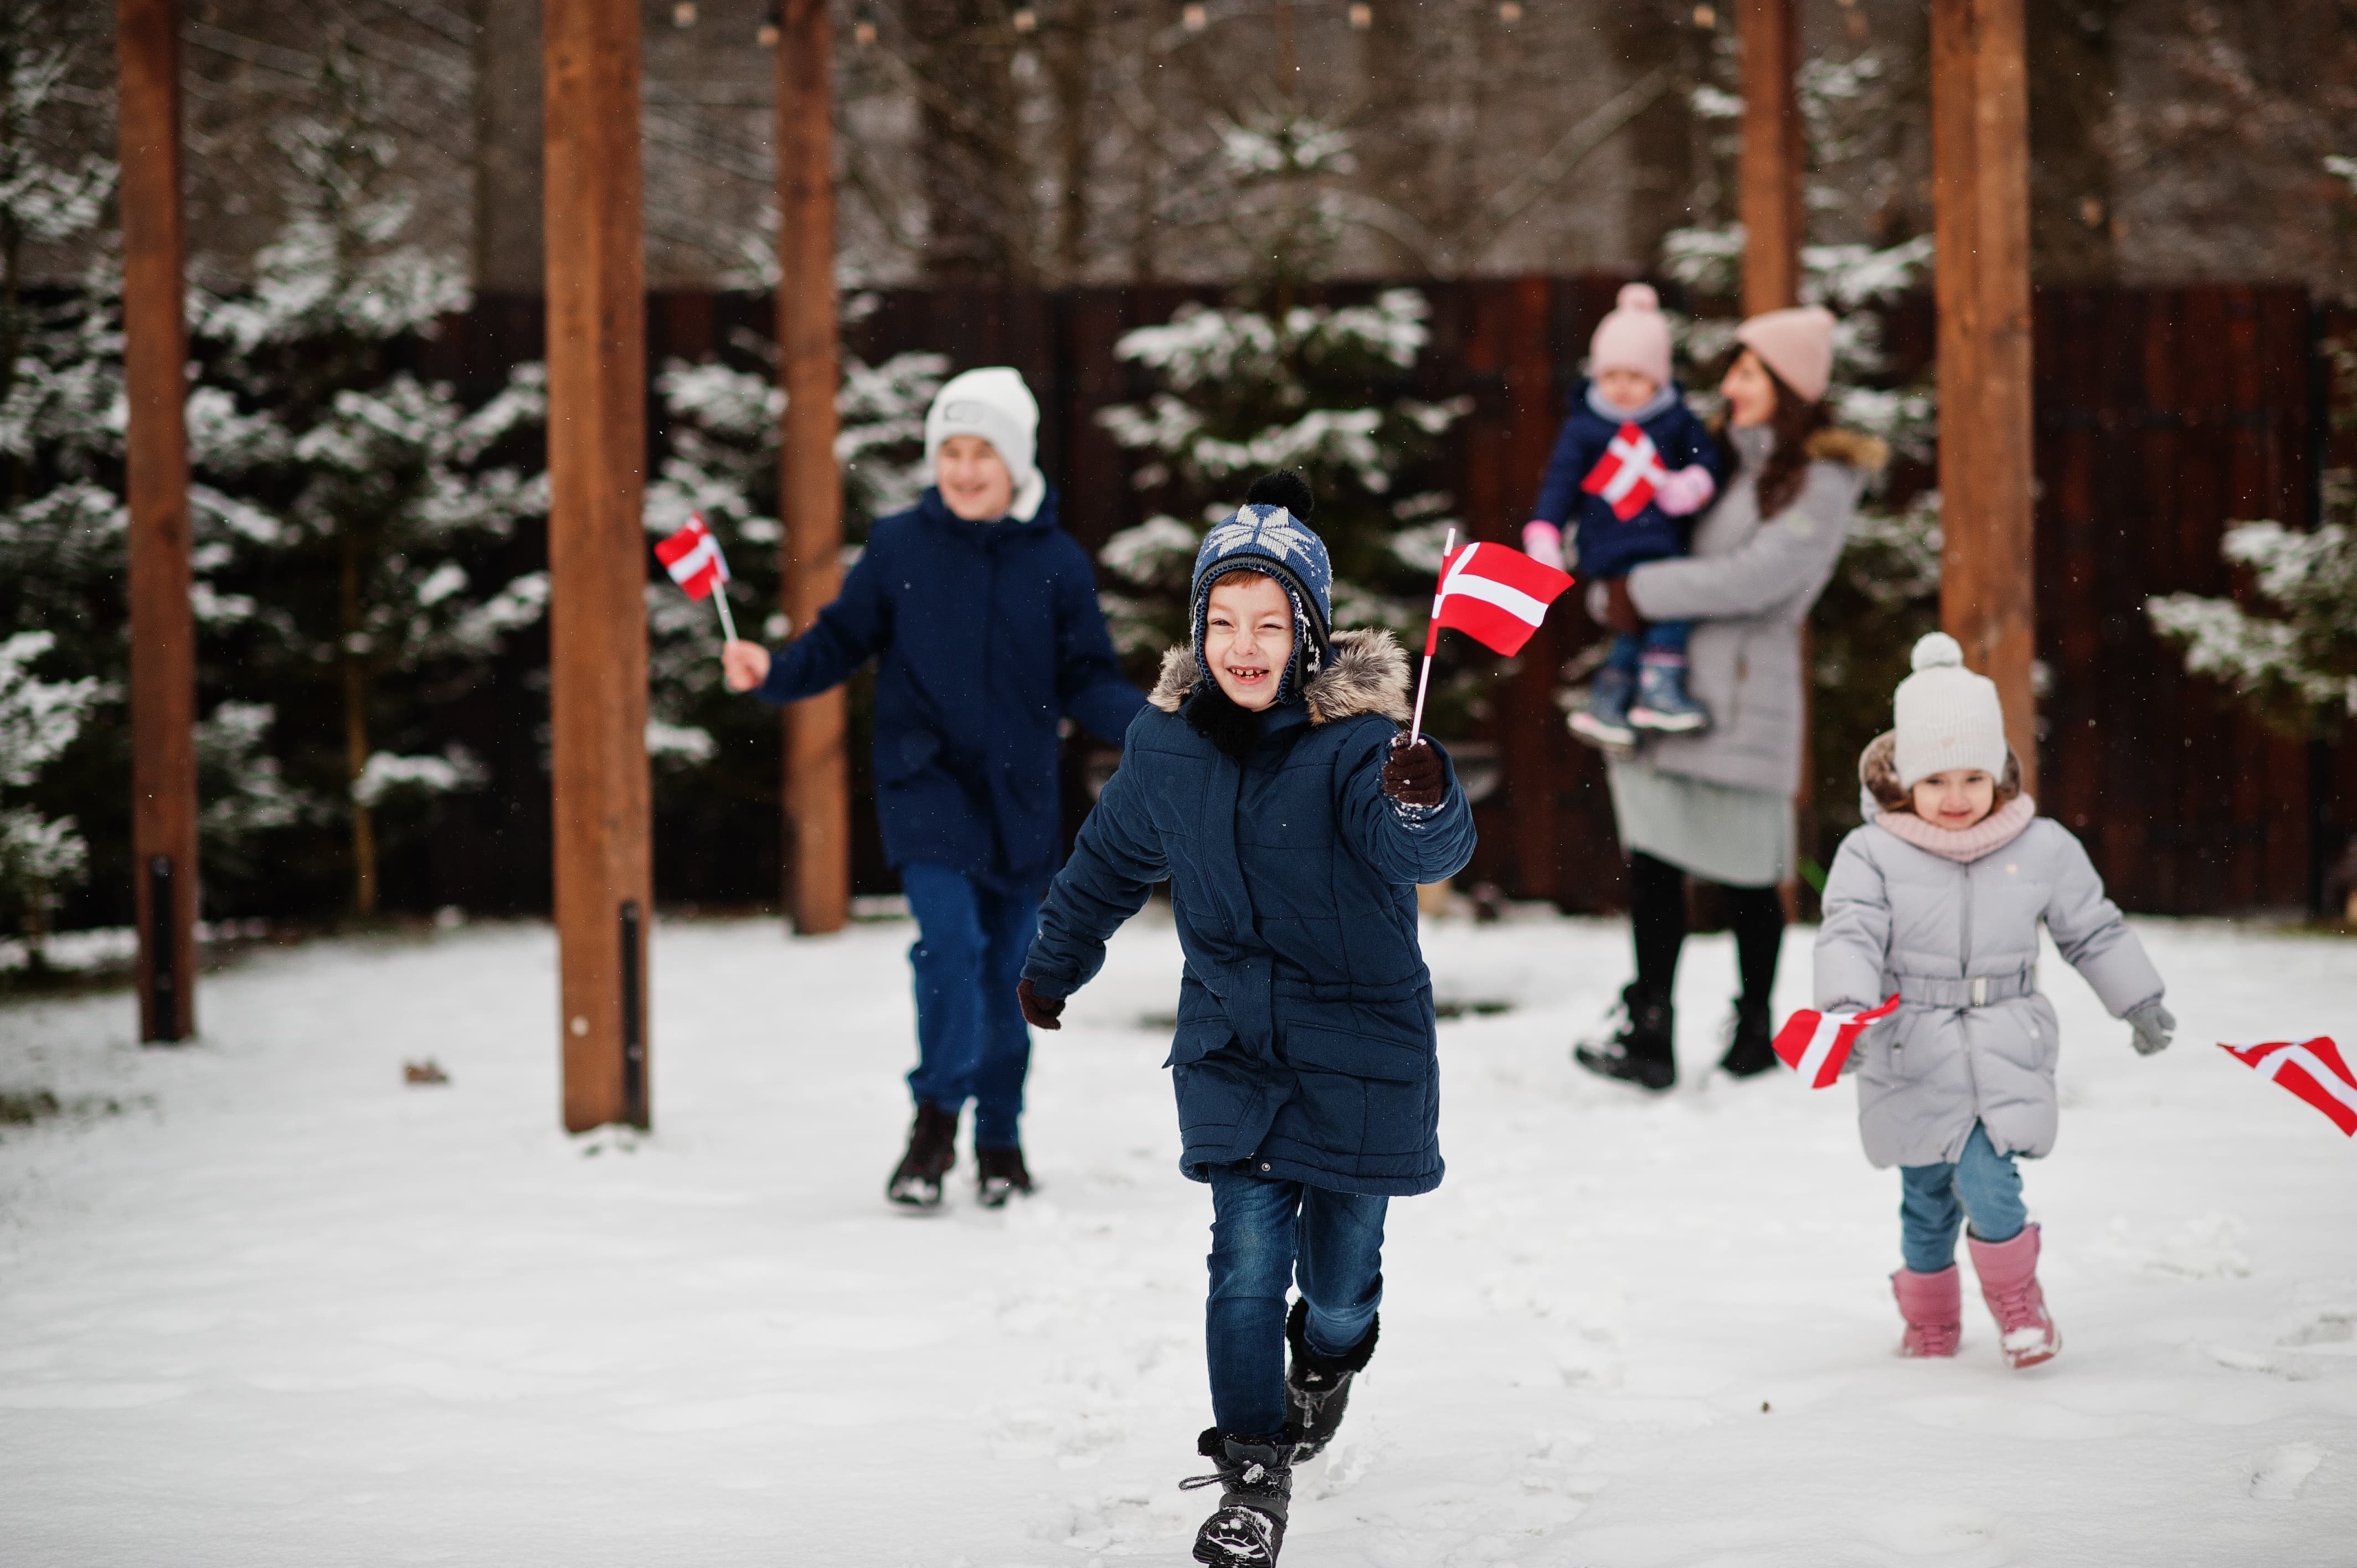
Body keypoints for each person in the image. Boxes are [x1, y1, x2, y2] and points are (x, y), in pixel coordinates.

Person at [1015, 471, 1474, 1568]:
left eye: (1270, 624)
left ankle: (1328, 1357)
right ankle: (1251, 1475)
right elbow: (1106, 862)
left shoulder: (1358, 747)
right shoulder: (1169, 745)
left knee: (1341, 1281)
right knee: (1245, 1263)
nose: (1244, 645)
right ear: (1197, 632)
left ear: (1307, 635)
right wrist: (1054, 962)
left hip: (1361, 1043)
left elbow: (1422, 851)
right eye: (1223, 622)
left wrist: (1425, 798)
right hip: (1236, 1044)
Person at [722, 365, 1145, 1210]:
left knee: (1012, 972)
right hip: (926, 787)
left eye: (982, 451)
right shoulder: (900, 546)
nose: (963, 469)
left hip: (1020, 798)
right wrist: (773, 671)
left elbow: (1088, 675)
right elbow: (841, 639)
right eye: (950, 451)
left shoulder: (1056, 562)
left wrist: (1155, 725)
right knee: (951, 948)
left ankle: (1000, 1139)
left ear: (1016, 461)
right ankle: (934, 1122)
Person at [1816, 632, 2175, 1366]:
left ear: (2000, 775)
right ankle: (1929, 1323)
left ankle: (2018, 1304)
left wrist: (2137, 1000)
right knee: (1925, 1198)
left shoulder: (2041, 847)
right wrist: (1846, 1013)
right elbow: (1849, 933)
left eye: (1972, 779)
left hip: (2005, 1036)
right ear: (1904, 778)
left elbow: (2092, 930)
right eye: (1935, 780)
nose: (1956, 799)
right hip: (1911, 1045)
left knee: (1987, 1176)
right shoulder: (1871, 852)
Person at [1572, 304, 1885, 1090]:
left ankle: (1752, 1035)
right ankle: (1649, 1031)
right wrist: (1604, 573)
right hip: (1665, 689)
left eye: (1748, 373)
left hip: (1743, 697)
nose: (1731, 386)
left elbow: (1760, 576)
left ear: (1789, 386)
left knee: (1749, 871)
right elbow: (1641, 523)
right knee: (1654, 859)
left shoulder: (1822, 477)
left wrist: (1638, 590)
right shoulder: (1710, 458)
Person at [1522, 282, 1722, 746]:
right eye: (1611, 375)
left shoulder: (1675, 420)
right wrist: (1546, 533)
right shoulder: (1584, 428)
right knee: (1653, 617)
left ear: (1658, 378)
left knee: (1641, 625)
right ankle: (1657, 691)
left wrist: (1692, 484)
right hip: (1609, 549)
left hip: (1664, 543)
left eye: (1635, 375)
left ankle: (1611, 702)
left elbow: (1709, 459)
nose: (1622, 387)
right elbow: (1560, 484)